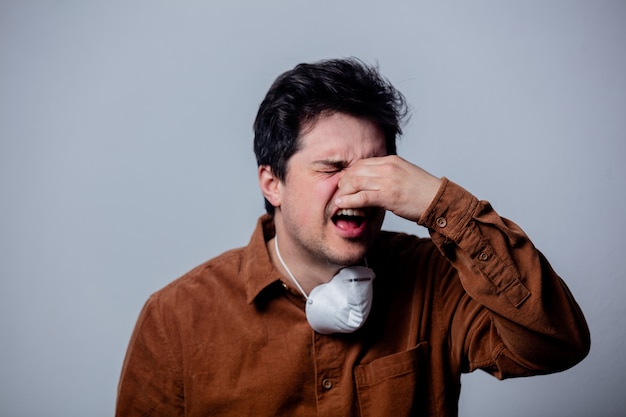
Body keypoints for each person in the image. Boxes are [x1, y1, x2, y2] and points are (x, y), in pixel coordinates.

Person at [115, 58, 590, 416]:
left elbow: (556, 343)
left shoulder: (438, 281)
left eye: (375, 167)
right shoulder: (175, 320)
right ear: (271, 183)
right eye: (332, 167)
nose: (358, 189)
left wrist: (438, 203)